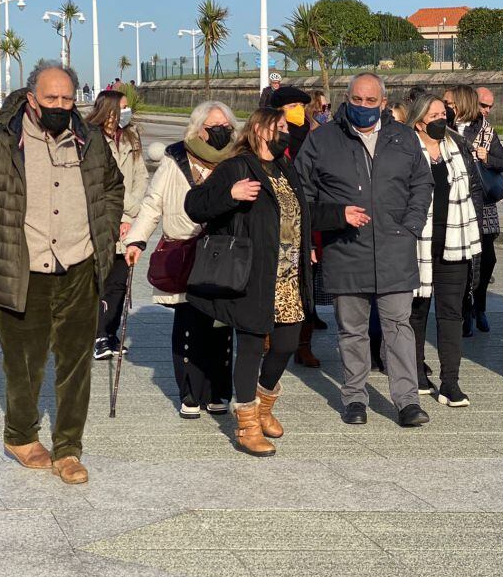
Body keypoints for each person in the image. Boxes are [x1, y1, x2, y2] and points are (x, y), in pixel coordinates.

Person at [0, 62, 124, 484]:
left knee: (75, 365)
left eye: (67, 99)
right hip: (22, 271)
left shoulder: (89, 142)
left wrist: (103, 232)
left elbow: (112, 187)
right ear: (32, 98)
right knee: (23, 365)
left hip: (79, 268)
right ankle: (21, 435)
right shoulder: (0, 145)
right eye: (51, 99)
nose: (60, 106)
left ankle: (68, 448)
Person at [183, 108, 344, 456]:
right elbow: (194, 205)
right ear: (259, 129)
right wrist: (231, 195)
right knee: (253, 347)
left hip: (288, 274)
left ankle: (264, 404)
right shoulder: (236, 166)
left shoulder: (286, 168)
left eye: (287, 127)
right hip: (254, 275)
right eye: (280, 126)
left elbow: (303, 211)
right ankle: (247, 424)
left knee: (286, 344)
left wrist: (341, 214)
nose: (286, 132)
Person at [295, 73, 434, 428]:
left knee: (399, 328)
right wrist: (331, 220)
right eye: (357, 100)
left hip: (395, 250)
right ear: (347, 98)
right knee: (352, 331)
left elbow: (422, 182)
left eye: (371, 101)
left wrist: (412, 226)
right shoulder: (323, 139)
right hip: (346, 251)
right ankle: (355, 397)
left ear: (383, 103)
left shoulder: (402, 137)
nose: (363, 107)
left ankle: (406, 401)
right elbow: (301, 195)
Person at [125, 101, 239, 418]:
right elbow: (152, 203)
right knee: (189, 323)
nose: (220, 132)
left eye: (226, 127)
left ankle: (218, 391)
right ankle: (190, 393)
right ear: (198, 128)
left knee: (220, 323)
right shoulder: (176, 157)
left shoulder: (237, 158)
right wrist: (137, 239)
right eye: (213, 126)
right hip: (185, 249)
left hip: (222, 252)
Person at [406, 94, 484, 406]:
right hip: (416, 244)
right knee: (417, 311)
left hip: (455, 242)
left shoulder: (458, 147)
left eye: (444, 113)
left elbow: (474, 189)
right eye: (435, 115)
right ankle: (416, 371)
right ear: (419, 121)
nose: (442, 119)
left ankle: (450, 382)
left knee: (451, 313)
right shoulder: (405, 149)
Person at [443, 84, 503, 336]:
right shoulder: (442, 129)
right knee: (460, 262)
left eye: (449, 103)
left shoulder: (484, 130)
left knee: (485, 260)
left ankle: (478, 307)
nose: (446, 107)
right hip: (454, 203)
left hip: (483, 204)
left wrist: (486, 157)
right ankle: (463, 311)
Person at [85, 90, 148, 360]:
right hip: (104, 220)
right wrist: (125, 213)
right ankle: (98, 334)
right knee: (100, 281)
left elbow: (141, 176)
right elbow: (102, 184)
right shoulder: (92, 139)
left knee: (120, 282)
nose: (126, 112)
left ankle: (111, 333)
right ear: (108, 109)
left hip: (129, 221)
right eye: (122, 107)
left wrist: (132, 217)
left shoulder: (131, 137)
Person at [268, 85, 324, 365]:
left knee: (306, 284)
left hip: (308, 221)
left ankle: (304, 344)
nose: (297, 112)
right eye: (291, 107)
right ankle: (269, 340)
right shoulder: (272, 139)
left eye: (300, 106)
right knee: (274, 282)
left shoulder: (313, 136)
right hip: (277, 223)